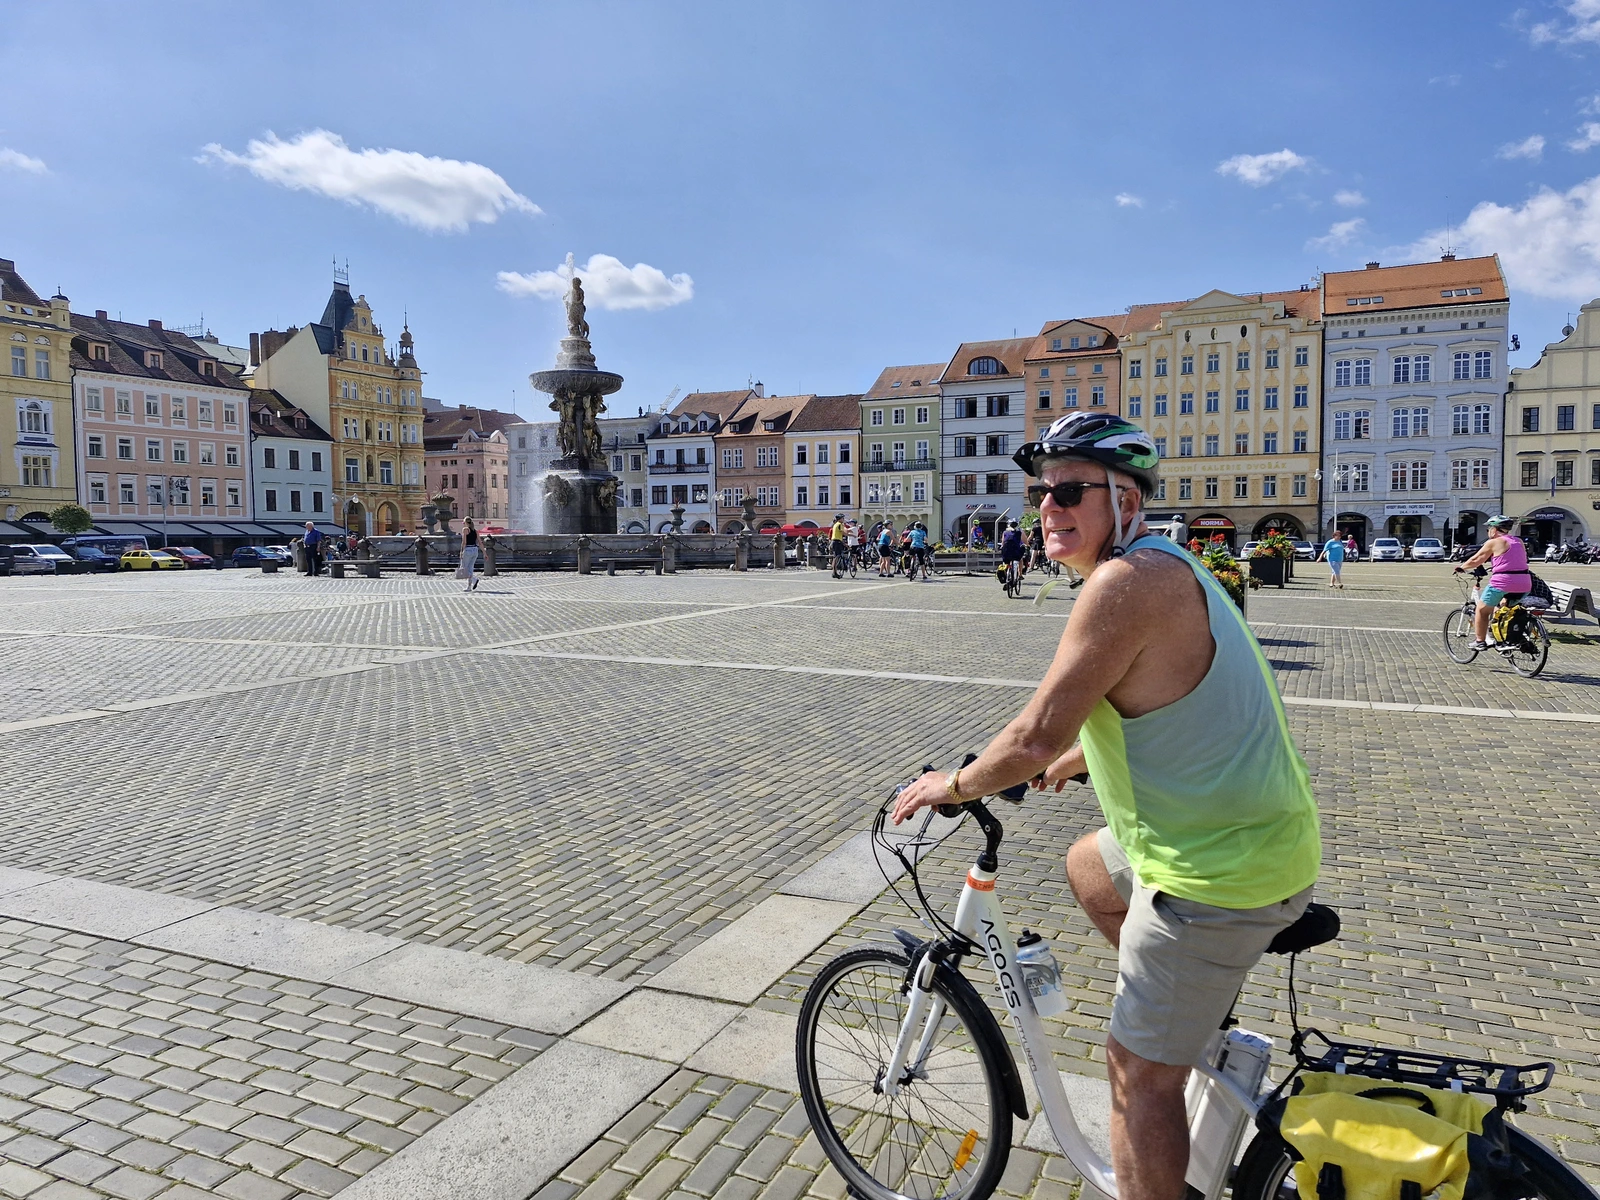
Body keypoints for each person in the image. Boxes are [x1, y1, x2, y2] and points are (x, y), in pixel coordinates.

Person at [890, 411, 1319, 1200]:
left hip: (1216, 872)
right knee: (1089, 865)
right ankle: (1182, 1017)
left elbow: (1031, 735)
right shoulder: (1170, 565)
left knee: (1135, 1076)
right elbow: (1173, 698)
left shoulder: (1126, 583)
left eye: (1069, 492)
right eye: (1042, 493)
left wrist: (951, 785)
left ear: (1125, 499)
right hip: (1244, 839)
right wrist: (1082, 757)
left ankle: (1163, 1048)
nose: (1048, 508)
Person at [1454, 515, 1529, 650]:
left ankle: (1480, 641)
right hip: (1524, 583)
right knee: (1502, 607)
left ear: (1494, 529)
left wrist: (1462, 568)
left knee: (1482, 610)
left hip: (1503, 582)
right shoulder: (1519, 541)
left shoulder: (1494, 542)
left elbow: (1476, 559)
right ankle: (1502, 635)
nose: (1488, 531)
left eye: (1489, 528)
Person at [1000, 519, 1026, 589]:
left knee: (1006, 562)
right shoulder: (1020, 531)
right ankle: (1020, 574)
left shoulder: (1005, 532)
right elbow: (1025, 541)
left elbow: (1003, 543)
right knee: (1020, 559)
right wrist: (1026, 546)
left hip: (1006, 552)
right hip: (1016, 551)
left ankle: (1006, 575)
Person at [460, 517, 481, 591]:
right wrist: (485, 553)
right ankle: (469, 587)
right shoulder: (475, 531)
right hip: (475, 550)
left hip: (468, 550)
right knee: (470, 569)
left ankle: (474, 580)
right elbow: (480, 542)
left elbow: (464, 542)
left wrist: (461, 551)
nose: (463, 524)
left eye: (463, 523)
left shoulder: (465, 530)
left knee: (464, 568)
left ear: (466, 523)